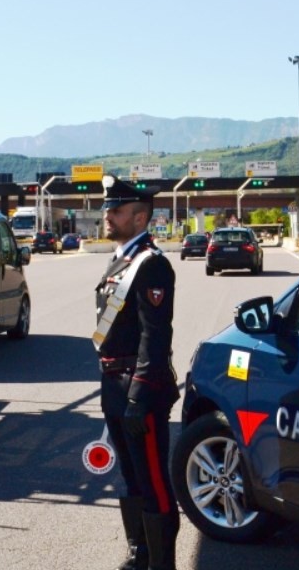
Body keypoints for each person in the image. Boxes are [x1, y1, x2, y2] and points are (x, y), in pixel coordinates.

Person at [93, 175, 179, 570]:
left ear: (140, 217)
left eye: (116, 210)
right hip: (115, 385)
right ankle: (139, 555)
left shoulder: (151, 264)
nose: (107, 215)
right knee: (130, 477)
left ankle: (161, 563)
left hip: (139, 389)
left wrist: (138, 397)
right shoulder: (121, 258)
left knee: (154, 482)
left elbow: (154, 337)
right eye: (107, 209)